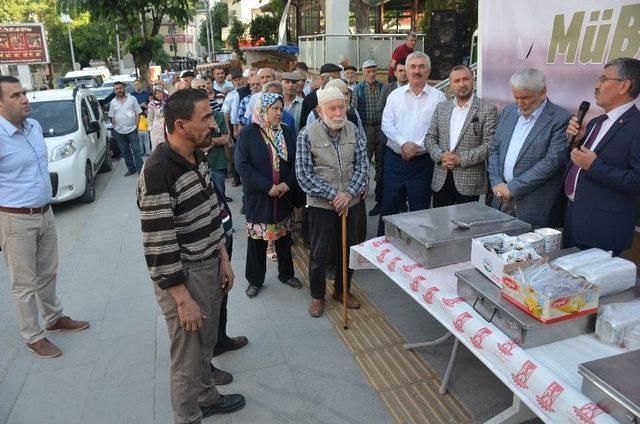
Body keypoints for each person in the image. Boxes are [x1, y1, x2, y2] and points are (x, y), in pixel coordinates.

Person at [137, 88, 245, 422]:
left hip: (209, 265)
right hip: (184, 277)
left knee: (206, 343)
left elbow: (212, 213)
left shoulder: (195, 156)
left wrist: (223, 258)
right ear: (181, 126)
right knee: (186, 356)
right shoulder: (158, 172)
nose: (213, 125)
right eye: (206, 118)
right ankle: (188, 416)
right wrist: (182, 299)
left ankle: (207, 398)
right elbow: (159, 245)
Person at [0, 75, 89, 358]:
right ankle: (33, 336)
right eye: (15, 96)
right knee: (24, 283)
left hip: (45, 212)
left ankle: (54, 318)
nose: (25, 99)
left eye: (23, 93)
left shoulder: (34, 127)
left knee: (48, 272)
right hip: (15, 220)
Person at [296, 87, 369, 318]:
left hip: (351, 202)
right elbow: (304, 175)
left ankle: (341, 290)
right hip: (322, 206)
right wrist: (333, 195)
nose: (338, 112)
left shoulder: (353, 130)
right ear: (320, 110)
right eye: (332, 108)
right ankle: (318, 296)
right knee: (319, 252)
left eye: (342, 107)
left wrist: (348, 194)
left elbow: (363, 166)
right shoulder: (307, 134)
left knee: (348, 250)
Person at [562, 58, 640, 255]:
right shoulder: (596, 122)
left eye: (604, 79)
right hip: (573, 217)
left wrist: (595, 166)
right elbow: (579, 162)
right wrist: (577, 141)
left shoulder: (636, 126)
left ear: (624, 86)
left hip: (603, 229)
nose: (596, 85)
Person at [235, 92, 302, 298]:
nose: (279, 113)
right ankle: (255, 280)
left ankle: (286, 274)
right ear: (262, 110)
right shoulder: (248, 133)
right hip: (259, 197)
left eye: (281, 109)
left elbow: (295, 162)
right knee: (257, 241)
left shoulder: (286, 132)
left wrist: (286, 184)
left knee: (284, 237)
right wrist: (267, 186)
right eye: (275, 109)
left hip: (283, 196)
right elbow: (242, 166)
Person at [488, 68, 572, 227]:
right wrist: (496, 182)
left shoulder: (560, 119)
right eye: (516, 97)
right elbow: (494, 149)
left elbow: (552, 162)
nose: (520, 103)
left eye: (525, 97)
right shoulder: (509, 111)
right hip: (500, 198)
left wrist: (512, 188)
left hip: (533, 205)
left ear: (542, 92)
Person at [378, 52, 446, 235]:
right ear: (406, 71)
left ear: (429, 70)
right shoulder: (394, 95)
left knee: (420, 211)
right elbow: (386, 124)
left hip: (422, 163)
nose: (417, 71)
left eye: (421, 66)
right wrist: (403, 145)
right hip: (395, 161)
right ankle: (382, 253)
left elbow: (439, 128)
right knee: (389, 207)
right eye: (413, 67)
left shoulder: (439, 97)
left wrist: (415, 147)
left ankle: (416, 254)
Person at [426, 65, 498, 207]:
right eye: (457, 81)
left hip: (469, 182)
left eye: (466, 79)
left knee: (466, 227)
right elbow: (430, 137)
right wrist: (441, 155)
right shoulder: (442, 108)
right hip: (441, 177)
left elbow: (490, 144)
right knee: (440, 224)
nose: (462, 84)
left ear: (473, 80)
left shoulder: (487, 109)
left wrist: (460, 159)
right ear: (451, 85)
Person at [370, 59, 408, 216]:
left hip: (408, 142)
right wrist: (394, 124)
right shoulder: (388, 89)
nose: (404, 73)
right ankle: (380, 202)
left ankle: (401, 202)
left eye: (406, 70)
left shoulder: (416, 91)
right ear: (395, 72)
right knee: (382, 171)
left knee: (405, 173)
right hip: (387, 140)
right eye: (401, 70)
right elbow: (379, 112)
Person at [357, 59, 385, 218]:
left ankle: (380, 195)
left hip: (380, 127)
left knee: (381, 161)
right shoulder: (358, 89)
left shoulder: (383, 87)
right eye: (369, 71)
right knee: (364, 161)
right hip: (366, 128)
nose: (372, 74)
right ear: (363, 72)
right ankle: (361, 192)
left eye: (374, 70)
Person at [109, 81, 144, 176]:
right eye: (116, 89)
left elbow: (137, 113)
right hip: (119, 131)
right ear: (114, 90)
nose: (118, 90)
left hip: (132, 129)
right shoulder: (113, 102)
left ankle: (140, 169)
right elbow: (112, 116)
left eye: (120, 88)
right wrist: (115, 127)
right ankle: (131, 169)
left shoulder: (132, 99)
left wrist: (136, 126)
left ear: (123, 88)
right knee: (125, 152)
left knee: (136, 150)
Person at [299, 63, 342, 130]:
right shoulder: (310, 100)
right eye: (333, 78)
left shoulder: (342, 98)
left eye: (338, 79)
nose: (337, 82)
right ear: (322, 79)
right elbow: (303, 127)